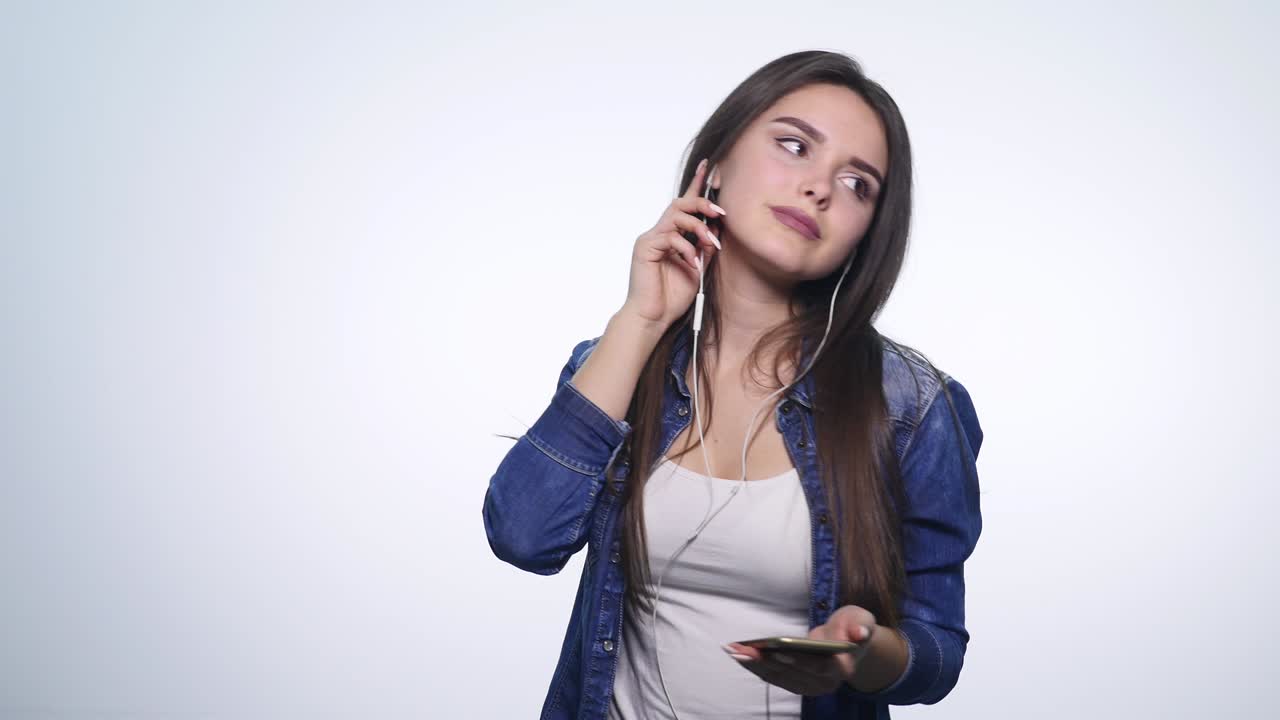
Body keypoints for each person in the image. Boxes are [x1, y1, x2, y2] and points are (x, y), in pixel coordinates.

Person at [482, 49, 983, 720]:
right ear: (714, 165)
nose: (820, 188)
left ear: (867, 232)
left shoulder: (914, 408)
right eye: (794, 145)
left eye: (858, 183)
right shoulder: (619, 364)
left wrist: (865, 652)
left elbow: (937, 652)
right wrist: (641, 317)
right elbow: (522, 536)